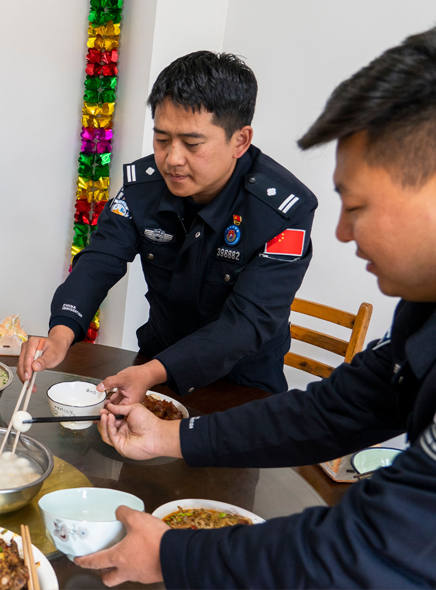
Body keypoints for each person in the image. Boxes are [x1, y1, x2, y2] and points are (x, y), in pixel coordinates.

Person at [76, 28, 436, 588]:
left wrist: (177, 558)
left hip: (240, 374)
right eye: (162, 138)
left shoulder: (276, 203)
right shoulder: (423, 314)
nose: (341, 232)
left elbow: (381, 545)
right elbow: (332, 411)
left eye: (359, 205)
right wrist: (170, 438)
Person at [19, 51, 317, 402]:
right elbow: (100, 259)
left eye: (192, 144)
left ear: (240, 140)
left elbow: (247, 323)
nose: (172, 159)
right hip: (155, 360)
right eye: (162, 140)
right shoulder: (144, 185)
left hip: (241, 381)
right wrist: (61, 332)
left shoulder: (282, 209)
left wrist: (153, 371)